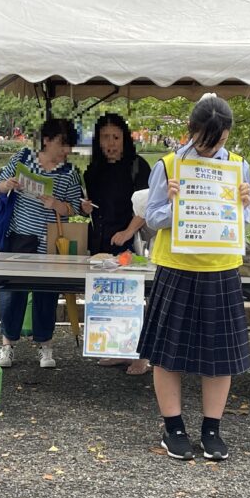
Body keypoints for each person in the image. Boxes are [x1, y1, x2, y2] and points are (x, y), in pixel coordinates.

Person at [138, 94, 250, 461]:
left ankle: (212, 429)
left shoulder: (238, 166)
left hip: (221, 268)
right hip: (176, 268)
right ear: (191, 131)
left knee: (219, 357)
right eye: (205, 139)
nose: (211, 147)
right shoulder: (169, 165)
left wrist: (245, 205)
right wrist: (175, 203)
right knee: (167, 355)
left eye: (219, 140)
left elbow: (241, 223)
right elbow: (152, 219)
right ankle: (173, 429)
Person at [0, 118, 83, 369]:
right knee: (13, 294)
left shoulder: (69, 173)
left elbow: (76, 207)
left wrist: (56, 204)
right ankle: (7, 345)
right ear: (46, 140)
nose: (65, 151)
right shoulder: (22, 158)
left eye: (69, 146)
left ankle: (45, 345)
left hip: (50, 243)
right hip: (19, 238)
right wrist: (7, 185)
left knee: (46, 294)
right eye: (61, 144)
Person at [80, 113, 153, 375]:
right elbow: (94, 205)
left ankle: (141, 355)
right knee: (109, 296)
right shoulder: (94, 169)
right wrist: (85, 206)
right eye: (105, 138)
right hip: (101, 242)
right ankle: (116, 350)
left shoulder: (138, 166)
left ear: (125, 139)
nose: (110, 143)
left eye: (115, 137)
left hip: (129, 243)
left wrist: (126, 231)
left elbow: (147, 207)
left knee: (133, 296)